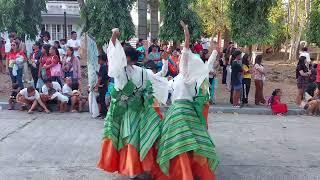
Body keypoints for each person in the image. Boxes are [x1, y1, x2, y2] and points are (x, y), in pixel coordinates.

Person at [97, 28, 169, 179]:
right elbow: (114, 54)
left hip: (133, 110)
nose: (120, 58)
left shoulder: (140, 72)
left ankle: (136, 168)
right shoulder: (119, 71)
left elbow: (158, 77)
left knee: (132, 138)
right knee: (133, 138)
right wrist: (114, 37)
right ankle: (136, 168)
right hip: (126, 109)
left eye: (124, 56)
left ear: (130, 58)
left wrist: (164, 62)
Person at [156, 21, 219, 180]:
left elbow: (186, 52)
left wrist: (186, 34)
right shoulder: (189, 79)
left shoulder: (184, 77)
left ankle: (183, 173)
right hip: (186, 112)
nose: (178, 60)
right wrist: (214, 52)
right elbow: (208, 65)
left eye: (180, 60)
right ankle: (188, 171)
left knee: (177, 143)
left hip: (178, 112)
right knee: (191, 143)